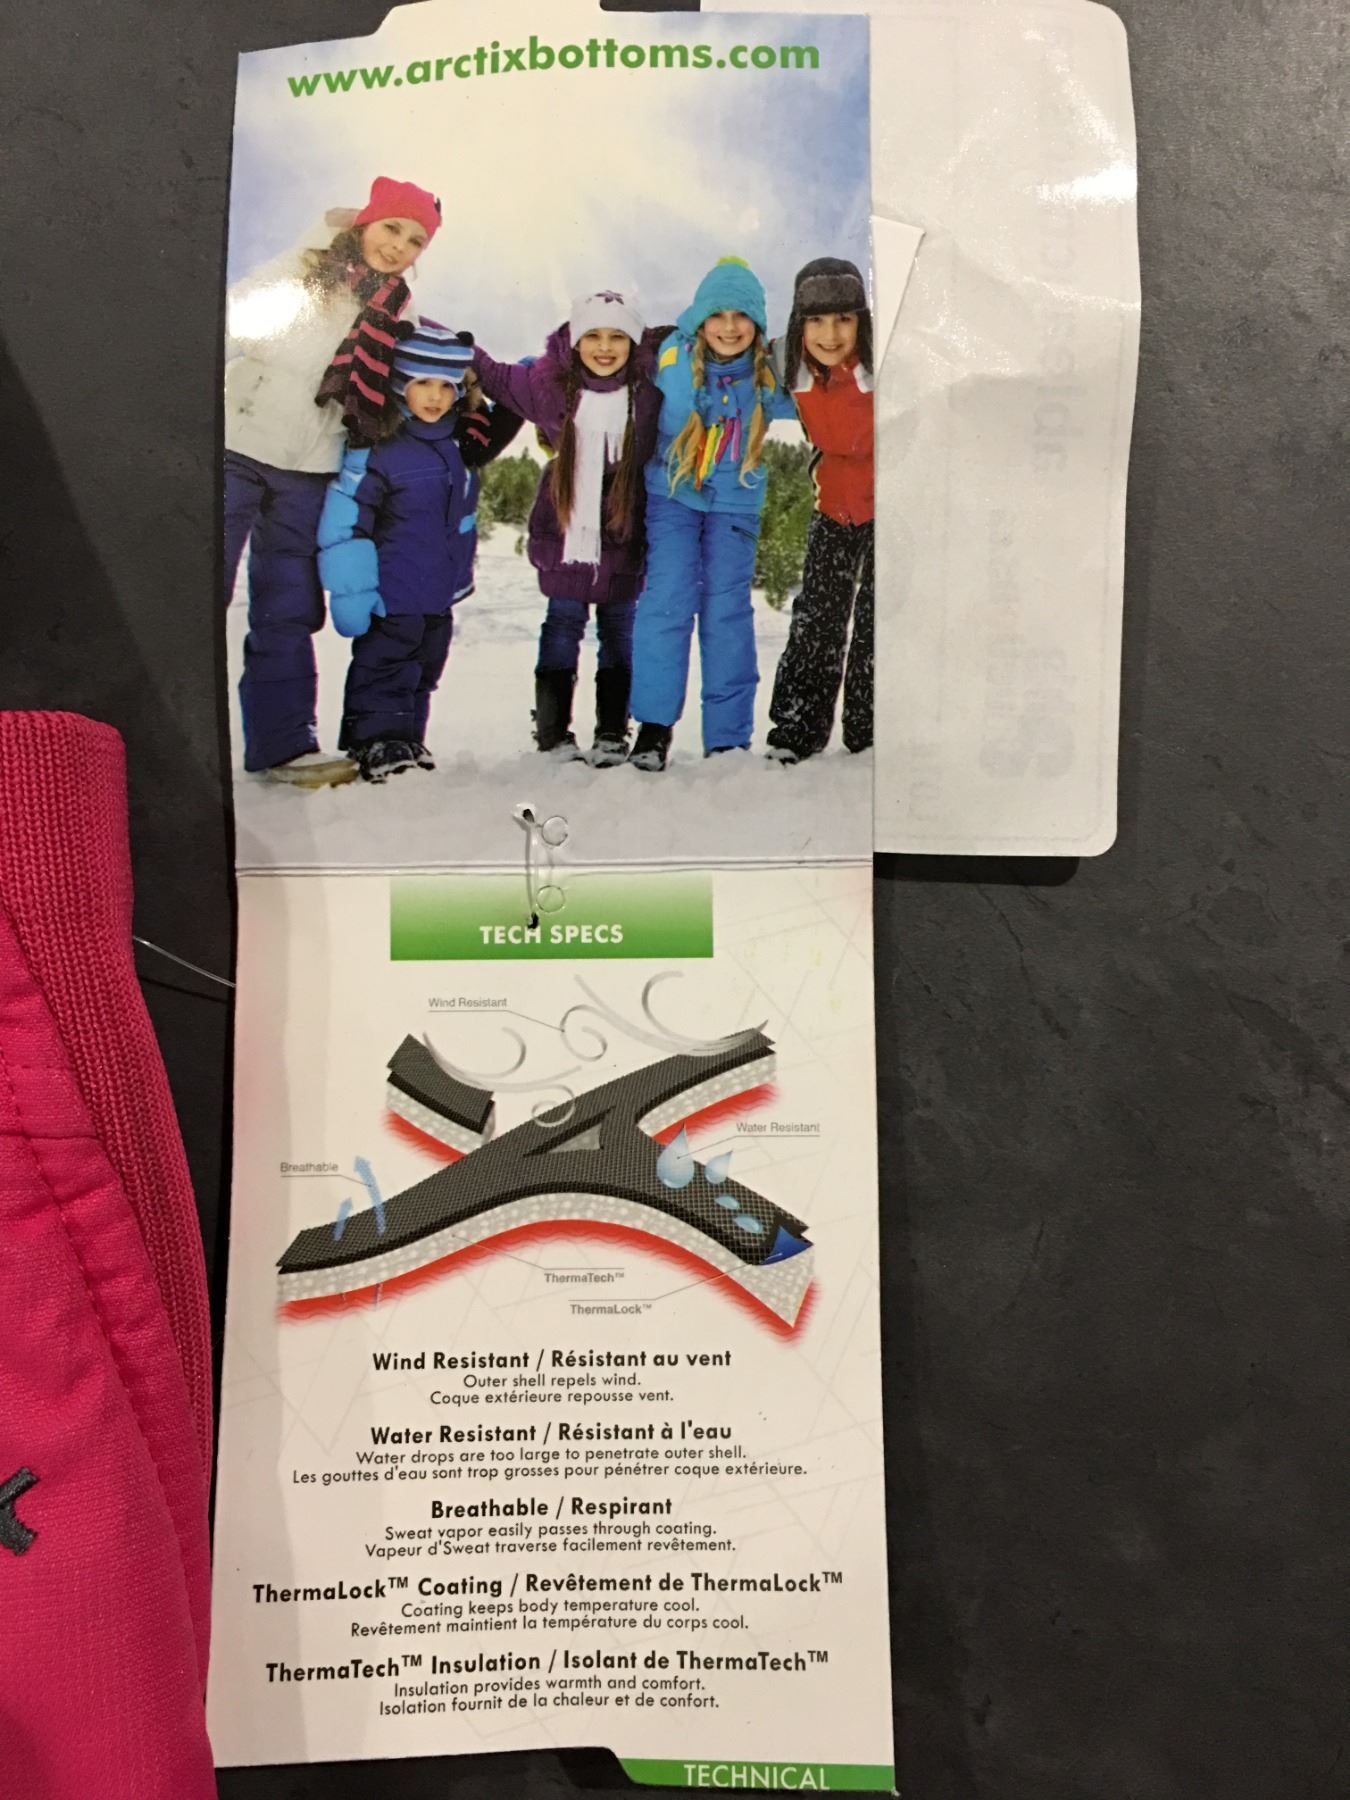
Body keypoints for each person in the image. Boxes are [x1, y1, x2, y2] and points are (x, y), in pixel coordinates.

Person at [224, 176, 441, 782]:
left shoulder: (400, 311)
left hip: (312, 468)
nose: (399, 247)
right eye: (392, 228)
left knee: (289, 606)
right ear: (364, 223)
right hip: (238, 446)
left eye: (416, 241)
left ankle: (283, 747)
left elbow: (412, 387)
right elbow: (230, 324)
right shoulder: (304, 268)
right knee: (196, 588)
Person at [316, 324, 522, 783]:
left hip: (438, 591)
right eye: (422, 383)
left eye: (446, 386)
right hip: (391, 589)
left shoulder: (458, 443)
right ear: (397, 384)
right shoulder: (378, 448)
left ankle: (407, 738)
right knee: (385, 665)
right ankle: (374, 742)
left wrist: (522, 374)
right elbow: (347, 520)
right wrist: (353, 591)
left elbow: (510, 409)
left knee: (425, 669)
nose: (435, 396)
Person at [471, 293, 663, 765]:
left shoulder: (650, 393)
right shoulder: (549, 387)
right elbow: (492, 373)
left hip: (623, 525)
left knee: (619, 629)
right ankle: (553, 733)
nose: (604, 347)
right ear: (575, 342)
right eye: (592, 336)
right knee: (562, 623)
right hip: (566, 523)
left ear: (633, 342)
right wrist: (443, 336)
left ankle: (612, 733)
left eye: (617, 336)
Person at [626, 256, 798, 773]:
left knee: (727, 613)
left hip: (735, 502)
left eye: (741, 315)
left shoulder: (770, 372)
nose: (728, 327)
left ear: (757, 323)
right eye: (717, 315)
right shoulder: (668, 355)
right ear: (699, 318)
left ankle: (727, 740)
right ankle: (653, 729)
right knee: (666, 602)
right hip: (672, 494)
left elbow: (829, 383)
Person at [766, 258, 875, 762]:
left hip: (890, 508)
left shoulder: (885, 363)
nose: (830, 335)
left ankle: (870, 732)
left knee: (878, 620)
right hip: (832, 506)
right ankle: (797, 729)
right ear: (799, 323)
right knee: (817, 619)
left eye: (844, 320)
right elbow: (725, 350)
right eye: (816, 321)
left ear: (862, 322)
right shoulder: (786, 361)